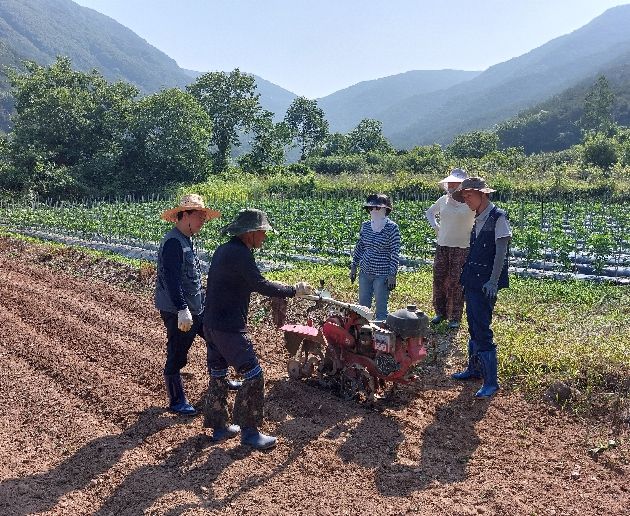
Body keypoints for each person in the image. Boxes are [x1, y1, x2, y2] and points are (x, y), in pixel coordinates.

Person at [203, 208, 312, 449]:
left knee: (219, 373)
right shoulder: (241, 254)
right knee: (253, 374)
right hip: (228, 327)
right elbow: (259, 284)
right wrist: (293, 290)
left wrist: (285, 288)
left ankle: (219, 427)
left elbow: (250, 282)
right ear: (250, 233)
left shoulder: (224, 250)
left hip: (211, 324)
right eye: (262, 232)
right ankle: (250, 432)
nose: (264, 236)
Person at [155, 193, 229, 416]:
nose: (203, 222)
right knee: (177, 353)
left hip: (196, 307)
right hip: (178, 310)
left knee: (217, 339)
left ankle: (220, 378)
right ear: (185, 215)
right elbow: (171, 280)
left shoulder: (187, 239)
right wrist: (181, 309)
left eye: (204, 218)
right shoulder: (173, 243)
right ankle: (176, 400)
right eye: (200, 217)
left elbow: (192, 279)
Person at [451, 178, 511, 398]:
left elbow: (501, 253)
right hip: (472, 279)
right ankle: (474, 369)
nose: (466, 200)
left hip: (485, 283)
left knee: (482, 329)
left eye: (469, 195)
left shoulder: (498, 217)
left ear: (483, 194)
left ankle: (491, 382)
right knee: (473, 326)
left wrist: (493, 281)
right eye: (464, 196)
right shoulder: (478, 217)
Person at [425, 168, 475, 329]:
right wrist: (436, 227)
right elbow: (430, 212)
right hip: (443, 245)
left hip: (462, 247)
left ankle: (455, 317)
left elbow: (482, 218)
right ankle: (440, 312)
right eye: (450, 183)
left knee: (457, 282)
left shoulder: (470, 202)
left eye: (456, 183)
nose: (452, 185)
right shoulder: (443, 200)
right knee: (439, 278)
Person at [349, 193, 401, 321]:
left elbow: (395, 252)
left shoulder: (392, 228)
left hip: (382, 274)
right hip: (365, 271)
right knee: (363, 307)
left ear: (385, 209)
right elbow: (360, 246)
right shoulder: (366, 226)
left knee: (381, 308)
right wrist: (354, 266)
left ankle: (380, 330)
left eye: (377, 208)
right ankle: (363, 330)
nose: (374, 210)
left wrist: (392, 274)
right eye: (371, 208)